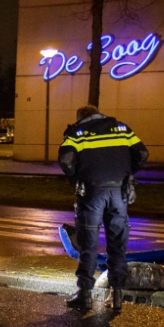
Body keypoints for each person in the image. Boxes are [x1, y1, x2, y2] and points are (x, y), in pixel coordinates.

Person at [58, 105, 148, 311]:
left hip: (92, 193)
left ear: (81, 117)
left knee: (87, 245)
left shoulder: (77, 134)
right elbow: (142, 154)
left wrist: (76, 178)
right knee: (117, 245)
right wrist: (127, 174)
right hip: (119, 193)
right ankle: (116, 296)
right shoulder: (122, 129)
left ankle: (85, 295)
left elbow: (66, 159)